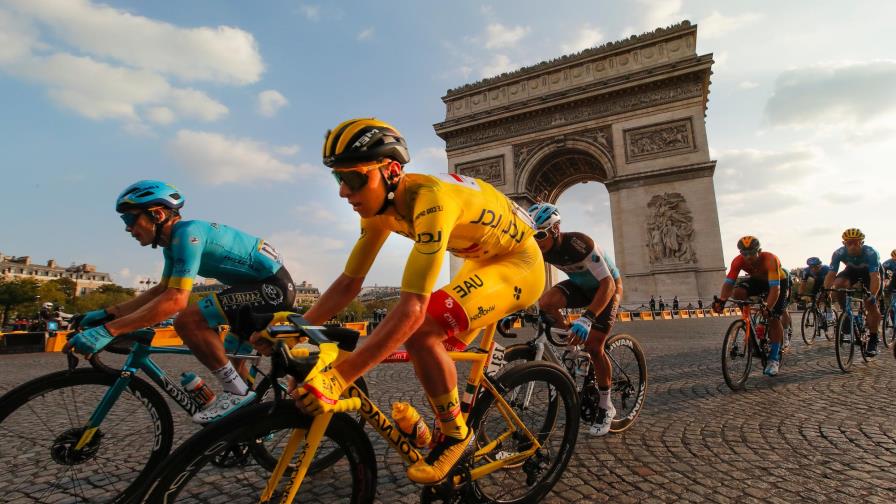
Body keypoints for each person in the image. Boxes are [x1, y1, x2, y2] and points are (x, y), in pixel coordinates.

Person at [254, 118, 545, 485]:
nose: (344, 191)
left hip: (518, 264)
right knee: (432, 345)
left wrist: (341, 376)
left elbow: (411, 310)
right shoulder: (377, 212)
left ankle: (456, 435)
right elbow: (348, 284)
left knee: (422, 330)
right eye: (337, 179)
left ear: (391, 171)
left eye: (355, 178)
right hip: (480, 258)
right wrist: (296, 325)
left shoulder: (431, 201)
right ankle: (431, 433)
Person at [64, 180, 296, 423]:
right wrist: (108, 313)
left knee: (188, 320)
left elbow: (176, 300)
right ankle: (247, 428)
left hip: (272, 288)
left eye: (130, 220)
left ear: (157, 214)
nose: (128, 229)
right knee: (231, 363)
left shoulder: (188, 235)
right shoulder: (172, 246)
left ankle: (237, 394)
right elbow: (162, 290)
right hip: (256, 288)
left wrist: (109, 330)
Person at [526, 202, 622, 436]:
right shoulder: (539, 247)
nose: (535, 242)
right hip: (580, 286)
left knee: (594, 346)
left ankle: (605, 404)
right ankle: (572, 340)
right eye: (531, 236)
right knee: (546, 303)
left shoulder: (581, 244)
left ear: (555, 230)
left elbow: (607, 283)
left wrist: (587, 318)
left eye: (539, 235)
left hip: (607, 288)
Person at [712, 236, 791, 376]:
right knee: (738, 292)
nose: (748, 257)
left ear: (759, 251)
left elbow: (775, 289)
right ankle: (747, 321)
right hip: (758, 280)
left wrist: (768, 307)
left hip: (778, 282)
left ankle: (774, 359)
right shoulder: (737, 261)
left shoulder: (770, 259)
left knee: (773, 317)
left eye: (751, 253)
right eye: (744, 253)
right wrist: (722, 300)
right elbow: (729, 282)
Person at [823, 228, 882, 357]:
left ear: (862, 242)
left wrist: (873, 295)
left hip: (870, 273)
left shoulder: (871, 253)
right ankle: (846, 313)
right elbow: (831, 274)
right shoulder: (838, 253)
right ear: (844, 244)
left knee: (871, 304)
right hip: (852, 270)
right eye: (849, 243)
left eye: (856, 243)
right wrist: (825, 290)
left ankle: (873, 339)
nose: (852, 246)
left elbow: (874, 277)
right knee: (838, 284)